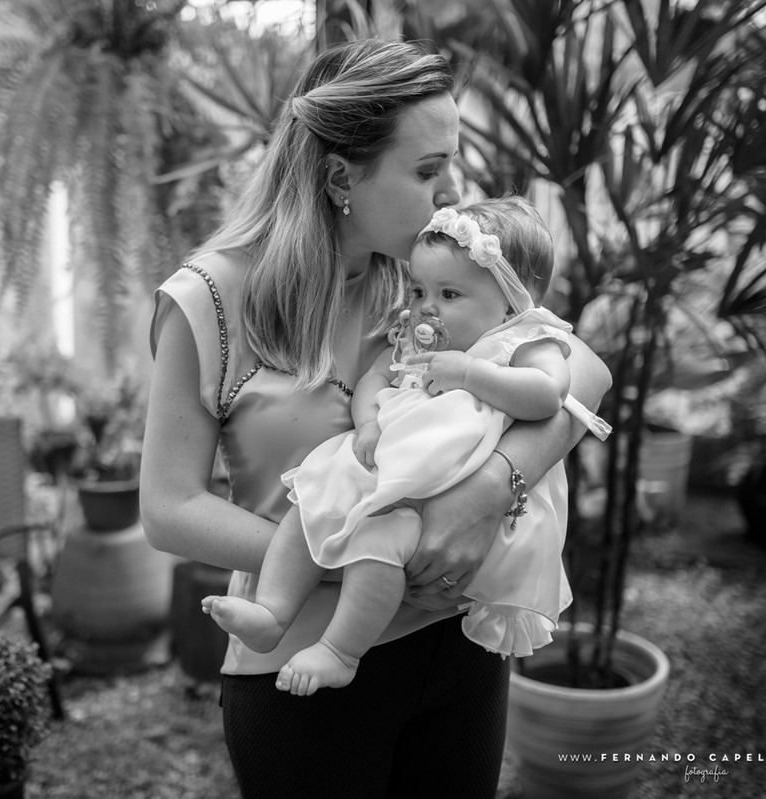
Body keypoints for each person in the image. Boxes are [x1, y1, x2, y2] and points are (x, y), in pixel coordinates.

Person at [142, 38, 611, 799]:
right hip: (302, 672)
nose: (451, 192)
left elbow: (582, 368)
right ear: (339, 177)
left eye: (451, 165)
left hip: (460, 653)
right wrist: (367, 553)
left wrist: (491, 488)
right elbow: (167, 509)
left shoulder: (435, 272)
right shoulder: (208, 301)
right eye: (428, 171)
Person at [200, 197, 612, 697]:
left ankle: (339, 650)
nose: (426, 306)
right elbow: (377, 376)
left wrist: (469, 373)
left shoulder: (525, 340)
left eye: (450, 293)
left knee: (381, 543)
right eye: (418, 289)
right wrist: (368, 420)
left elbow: (550, 395)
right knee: (309, 501)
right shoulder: (419, 339)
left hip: (441, 480)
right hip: (387, 461)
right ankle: (272, 613)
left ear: (511, 300)